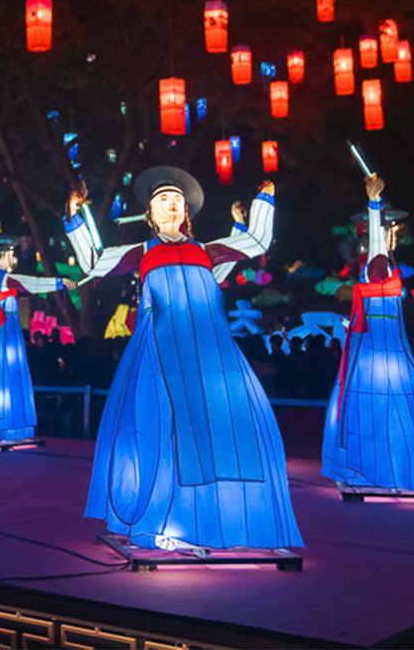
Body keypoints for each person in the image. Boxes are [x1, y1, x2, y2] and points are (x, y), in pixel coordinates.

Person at [65, 168, 301, 555]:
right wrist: (75, 217)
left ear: (186, 211)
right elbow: (92, 260)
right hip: (162, 352)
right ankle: (166, 522)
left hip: (210, 355)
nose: (171, 204)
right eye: (162, 200)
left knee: (221, 429)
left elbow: (258, 241)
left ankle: (216, 520)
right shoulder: (142, 252)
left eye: (177, 200)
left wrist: (265, 200)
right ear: (149, 214)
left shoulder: (207, 251)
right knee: (167, 432)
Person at [321, 175, 414, 492]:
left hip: (388, 345)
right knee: (383, 407)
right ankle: (380, 472)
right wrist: (374, 206)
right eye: (389, 231)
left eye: (392, 230)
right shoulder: (377, 263)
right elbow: (376, 246)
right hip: (377, 347)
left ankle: (394, 471)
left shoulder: (386, 265)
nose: (393, 235)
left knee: (397, 409)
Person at [0, 236, 74, 444]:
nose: (14, 257)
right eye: (11, 253)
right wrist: (60, 282)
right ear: (4, 256)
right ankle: (5, 427)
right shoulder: (5, 279)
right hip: (3, 332)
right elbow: (33, 284)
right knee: (6, 373)